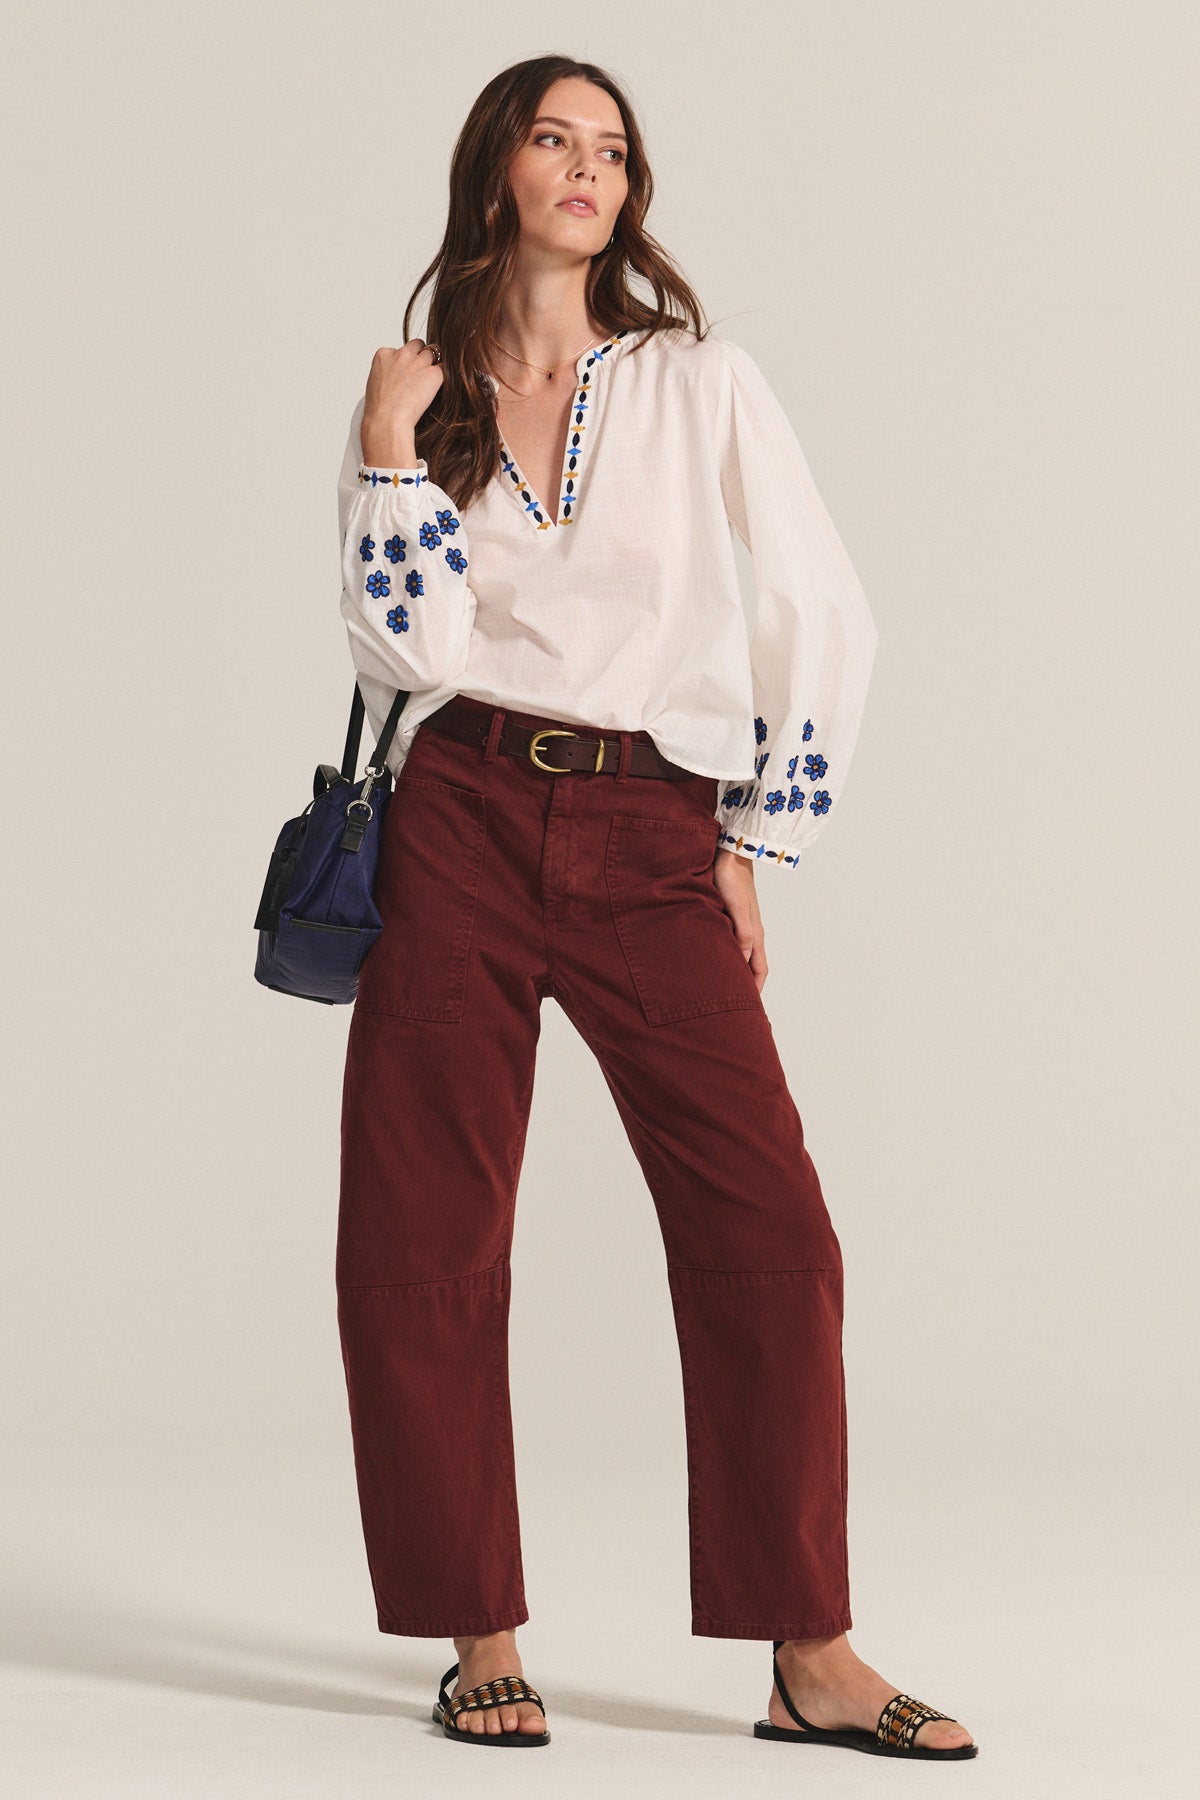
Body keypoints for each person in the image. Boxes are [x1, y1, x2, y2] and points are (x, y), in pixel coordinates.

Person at [333, 54, 978, 1761]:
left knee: (773, 1236)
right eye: (554, 138)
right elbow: (405, 651)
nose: (587, 167)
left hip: (652, 832)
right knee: (424, 1239)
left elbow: (823, 606)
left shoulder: (699, 383)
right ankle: (480, 1632)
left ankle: (810, 1653)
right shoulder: (425, 388)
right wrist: (393, 452)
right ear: (496, 173)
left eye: (612, 148)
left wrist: (759, 839)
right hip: (456, 815)